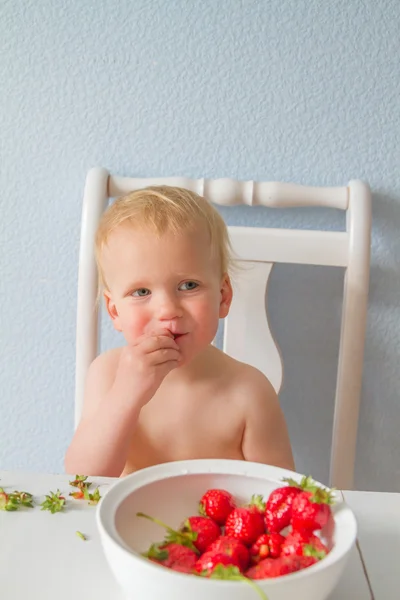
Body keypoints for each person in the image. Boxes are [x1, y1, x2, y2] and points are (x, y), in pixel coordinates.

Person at [65, 186, 294, 477]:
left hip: (215, 522)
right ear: (114, 311)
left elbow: (281, 494)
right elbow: (82, 477)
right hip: (129, 522)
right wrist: (127, 394)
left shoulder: (249, 391)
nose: (167, 309)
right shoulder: (108, 374)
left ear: (223, 297)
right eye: (141, 291)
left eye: (188, 286)